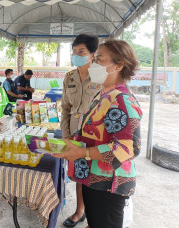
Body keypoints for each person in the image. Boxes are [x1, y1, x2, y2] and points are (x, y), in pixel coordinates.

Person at [53, 39, 142, 228]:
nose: (93, 65)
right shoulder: (105, 93)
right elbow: (95, 128)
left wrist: (82, 152)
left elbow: (127, 148)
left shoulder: (121, 100)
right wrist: (73, 139)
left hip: (109, 184)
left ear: (118, 65)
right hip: (94, 179)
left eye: (99, 60)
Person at [60, 34, 100, 227]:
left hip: (97, 134)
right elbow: (65, 108)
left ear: (93, 54)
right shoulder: (69, 77)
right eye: (74, 52)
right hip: (75, 133)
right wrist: (66, 133)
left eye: (81, 52)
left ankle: (96, 214)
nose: (76, 55)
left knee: (97, 174)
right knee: (80, 174)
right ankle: (79, 211)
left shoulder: (102, 75)